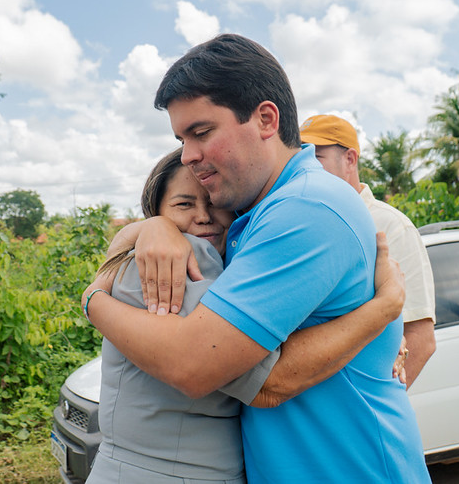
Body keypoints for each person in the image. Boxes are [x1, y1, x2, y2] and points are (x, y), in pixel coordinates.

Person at [83, 34, 430, 482]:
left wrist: (93, 298)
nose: (189, 156)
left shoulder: (305, 210)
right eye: (181, 138)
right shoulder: (255, 213)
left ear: (266, 118)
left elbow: (229, 373)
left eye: (201, 132)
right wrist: (152, 226)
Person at [87, 148, 406, 483]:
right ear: (157, 211)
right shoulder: (172, 265)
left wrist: (384, 342)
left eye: (214, 202)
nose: (204, 216)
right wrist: (380, 313)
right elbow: (265, 381)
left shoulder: (230, 269)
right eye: (183, 205)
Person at [299, 114, 437, 387]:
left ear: (350, 159)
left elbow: (421, 336)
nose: (306, 167)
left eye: (317, 157)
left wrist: (380, 402)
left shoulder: (391, 226)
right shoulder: (306, 220)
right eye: (302, 157)